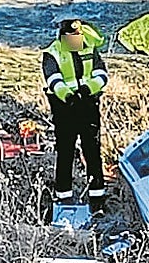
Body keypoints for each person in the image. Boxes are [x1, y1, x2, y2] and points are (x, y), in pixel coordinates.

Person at [42, 19, 109, 215]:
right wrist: (69, 96)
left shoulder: (89, 47)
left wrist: (88, 90)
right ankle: (64, 198)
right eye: (70, 39)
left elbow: (101, 73)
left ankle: (97, 199)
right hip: (65, 109)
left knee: (93, 152)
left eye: (76, 38)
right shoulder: (52, 52)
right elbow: (53, 78)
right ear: (62, 38)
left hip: (88, 105)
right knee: (66, 152)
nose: (74, 42)